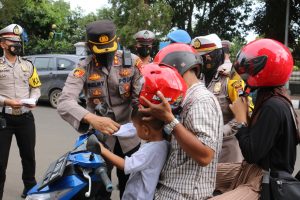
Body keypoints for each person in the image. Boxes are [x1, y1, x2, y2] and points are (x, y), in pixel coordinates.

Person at [57, 20, 143, 199]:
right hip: (100, 139)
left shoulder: (132, 62)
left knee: (131, 187)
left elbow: (139, 100)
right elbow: (64, 101)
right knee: (99, 189)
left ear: (116, 41)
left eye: (110, 49)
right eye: (100, 51)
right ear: (89, 46)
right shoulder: (84, 66)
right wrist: (91, 118)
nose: (107, 56)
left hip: (130, 138)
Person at [210, 38, 297, 199]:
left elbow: (251, 153)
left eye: (251, 69)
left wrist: (241, 120)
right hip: (250, 169)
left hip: (263, 180)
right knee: (201, 170)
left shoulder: (273, 106)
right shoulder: (274, 99)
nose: (245, 75)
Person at [143, 43, 223, 199]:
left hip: (185, 195)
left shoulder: (201, 100)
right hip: (170, 189)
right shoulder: (183, 98)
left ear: (177, 68)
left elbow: (205, 156)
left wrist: (169, 120)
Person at [98, 62, 187, 200]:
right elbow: (129, 128)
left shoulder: (151, 150)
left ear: (145, 130)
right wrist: (111, 130)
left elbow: (125, 165)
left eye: (136, 126)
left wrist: (102, 150)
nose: (134, 128)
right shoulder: (164, 142)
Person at [191, 34, 251, 163]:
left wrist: (224, 130)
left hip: (226, 150)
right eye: (199, 56)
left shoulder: (231, 79)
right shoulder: (195, 79)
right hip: (199, 149)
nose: (203, 59)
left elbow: (246, 111)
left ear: (218, 54)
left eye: (207, 55)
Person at [0, 24, 41, 199]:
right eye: (12, 41)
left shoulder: (28, 65)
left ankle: (30, 188)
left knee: (29, 156)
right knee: (0, 162)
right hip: (3, 119)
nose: (16, 44)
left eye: (18, 41)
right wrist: (6, 101)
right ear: (2, 44)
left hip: (25, 118)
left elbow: (36, 87)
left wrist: (33, 99)